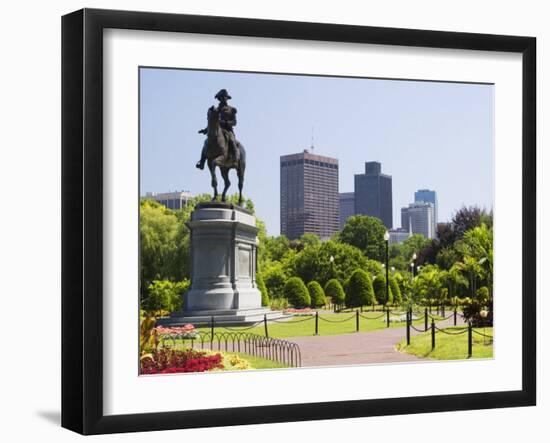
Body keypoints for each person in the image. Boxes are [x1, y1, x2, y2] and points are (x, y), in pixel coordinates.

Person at [196, 89, 239, 169]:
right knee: (206, 142)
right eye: (221, 97)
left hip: (228, 130)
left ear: (227, 98)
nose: (223, 99)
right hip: (217, 130)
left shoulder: (232, 109)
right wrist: (205, 130)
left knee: (232, 140)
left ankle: (235, 160)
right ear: (219, 99)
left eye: (224, 97)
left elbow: (234, 122)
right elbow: (212, 122)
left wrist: (226, 123)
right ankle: (202, 162)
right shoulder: (216, 110)